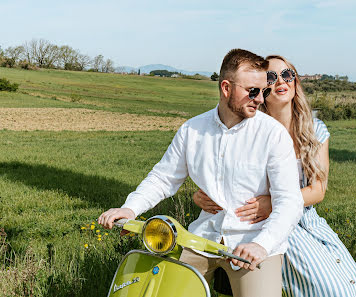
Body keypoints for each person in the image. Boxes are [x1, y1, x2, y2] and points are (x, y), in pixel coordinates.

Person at [98, 49, 305, 297]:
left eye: (264, 91)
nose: (260, 99)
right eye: (252, 91)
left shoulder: (273, 135)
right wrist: (130, 209)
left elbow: (290, 202)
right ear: (226, 88)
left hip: (254, 241)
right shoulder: (192, 130)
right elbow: (163, 178)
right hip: (202, 239)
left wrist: (261, 245)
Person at [193, 55, 356, 297]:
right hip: (267, 224)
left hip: (307, 220)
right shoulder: (249, 130)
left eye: (287, 74)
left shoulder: (315, 129)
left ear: (295, 82)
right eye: (271, 77)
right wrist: (200, 196)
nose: (281, 81)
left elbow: (318, 190)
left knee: (349, 283)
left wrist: (273, 201)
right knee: (328, 287)